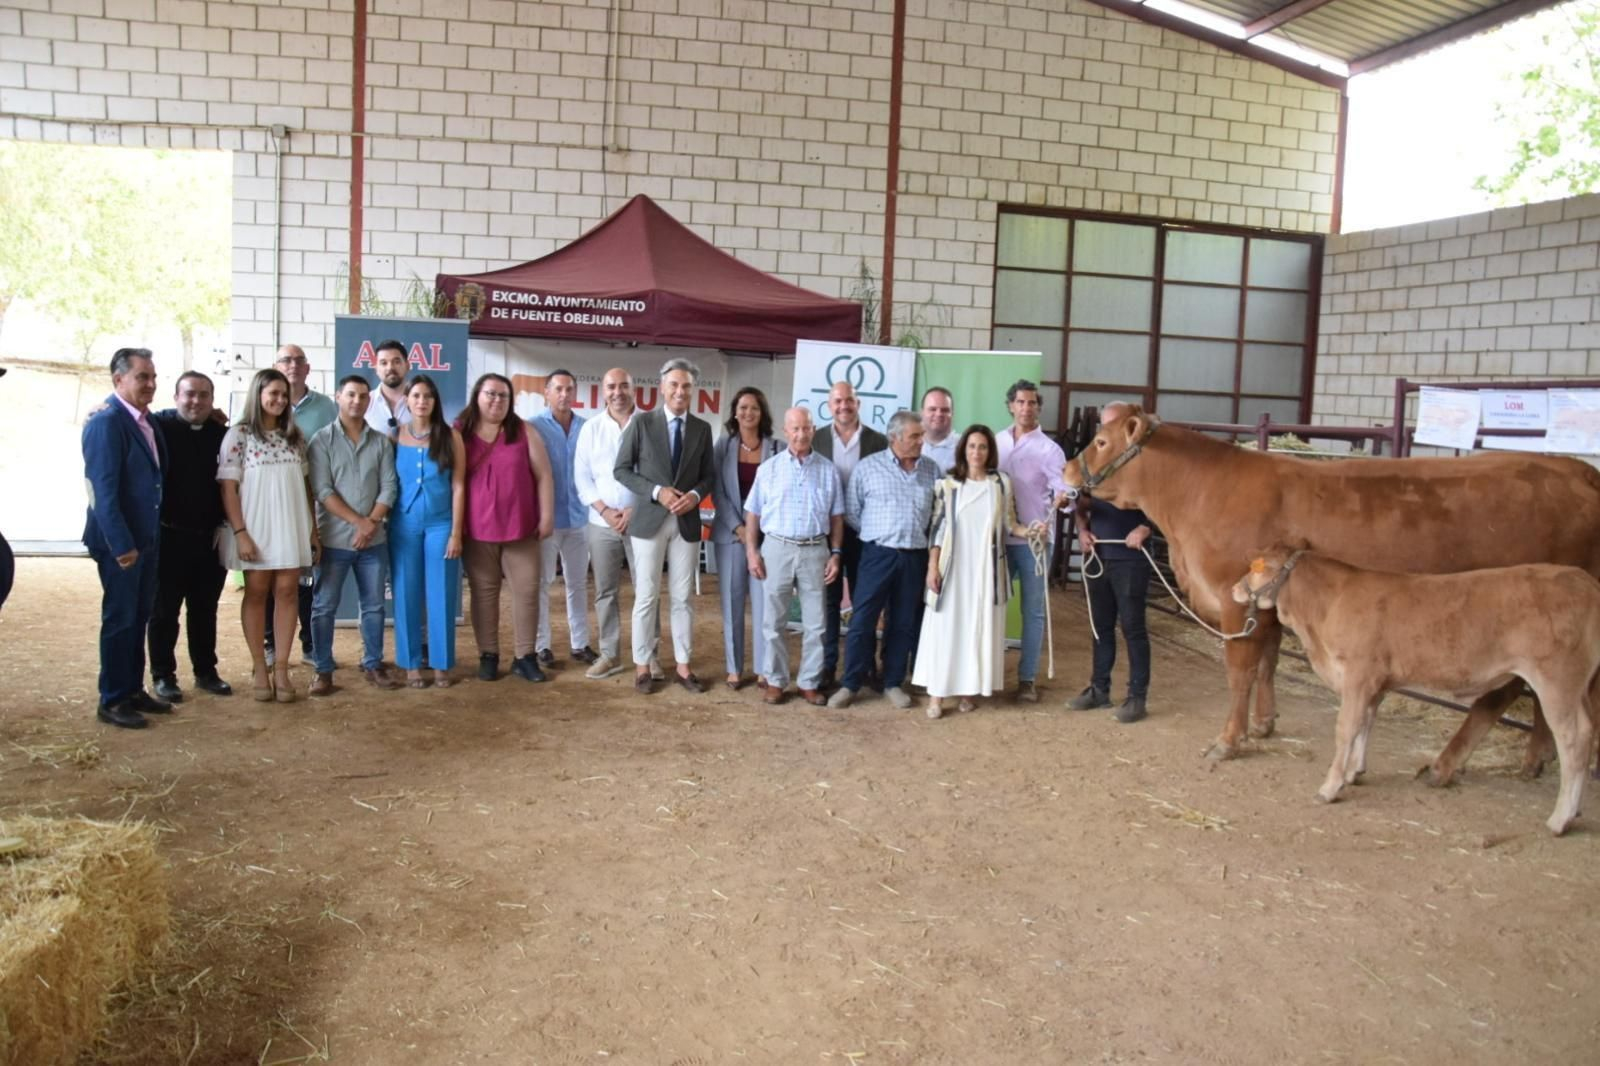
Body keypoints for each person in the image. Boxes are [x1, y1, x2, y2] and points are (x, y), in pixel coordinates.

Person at [914, 424, 1039, 719]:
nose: (976, 452)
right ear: (963, 449)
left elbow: (1011, 523)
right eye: (971, 446)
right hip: (953, 569)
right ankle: (937, 695)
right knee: (946, 629)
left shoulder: (1001, 483)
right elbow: (937, 528)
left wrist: (1031, 531)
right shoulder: (949, 483)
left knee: (976, 629)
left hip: (986, 572)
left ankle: (968, 691)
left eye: (982, 447)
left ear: (990, 451)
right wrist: (933, 566)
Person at [614, 357, 716, 694]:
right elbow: (622, 470)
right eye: (674, 384)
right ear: (662, 388)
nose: (680, 391)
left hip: (686, 522)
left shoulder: (702, 428)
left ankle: (684, 668)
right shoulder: (642, 424)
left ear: (692, 390)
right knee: (646, 596)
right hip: (649, 522)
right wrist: (657, 492)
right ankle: (643, 666)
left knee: (683, 598)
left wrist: (695, 494)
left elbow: (709, 476)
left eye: (686, 385)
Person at [82, 348, 171, 729]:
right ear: (119, 380)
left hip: (147, 539)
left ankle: (133, 689)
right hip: (122, 544)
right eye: (142, 377)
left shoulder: (145, 420)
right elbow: (101, 491)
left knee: (139, 615)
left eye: (152, 377)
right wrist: (121, 546)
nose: (150, 384)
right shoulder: (106, 422)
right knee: (120, 619)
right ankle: (113, 699)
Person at [218, 367, 318, 704]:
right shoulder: (239, 435)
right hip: (256, 526)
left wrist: (313, 531)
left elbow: (306, 487)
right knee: (258, 591)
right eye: (272, 393)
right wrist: (241, 533)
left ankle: (282, 668)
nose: (278, 399)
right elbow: (229, 489)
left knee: (288, 591)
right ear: (258, 394)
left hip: (291, 524)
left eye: (283, 394)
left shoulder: (295, 437)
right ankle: (259, 665)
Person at [828, 411, 939, 710]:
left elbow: (938, 516)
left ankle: (892, 682)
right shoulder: (868, 468)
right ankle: (851, 683)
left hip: (914, 557)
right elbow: (852, 512)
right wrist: (880, 535)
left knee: (902, 622)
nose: (921, 441)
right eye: (915, 436)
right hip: (876, 554)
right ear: (895, 438)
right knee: (862, 620)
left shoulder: (931, 470)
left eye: (921, 435)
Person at [306, 376, 402, 696]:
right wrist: (358, 522)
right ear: (338, 397)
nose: (357, 401)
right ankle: (323, 670)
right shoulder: (320, 441)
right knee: (324, 607)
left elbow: (389, 486)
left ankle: (373, 662)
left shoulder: (380, 442)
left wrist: (370, 523)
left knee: (374, 606)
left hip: (373, 542)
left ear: (369, 401)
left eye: (363, 396)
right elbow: (322, 490)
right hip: (334, 540)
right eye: (351, 395)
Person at [458, 372, 555, 683]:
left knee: (527, 592)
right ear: (477, 395)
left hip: (521, 527)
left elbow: (544, 476)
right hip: (476, 529)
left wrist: (547, 515)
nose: (496, 400)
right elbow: (452, 481)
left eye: (503, 395)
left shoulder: (524, 431)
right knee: (484, 593)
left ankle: (525, 657)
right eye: (491, 393)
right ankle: (488, 654)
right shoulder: (459, 432)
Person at [744, 406, 843, 706]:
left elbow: (837, 516)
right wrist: (752, 551)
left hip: (815, 549)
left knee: (817, 622)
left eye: (807, 428)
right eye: (795, 429)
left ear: (814, 430)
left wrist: (835, 553)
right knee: (773, 621)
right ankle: (775, 681)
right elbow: (753, 513)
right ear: (786, 432)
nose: (801, 434)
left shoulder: (828, 469)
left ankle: (809, 682)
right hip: (777, 548)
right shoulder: (769, 469)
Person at [147, 371, 232, 703]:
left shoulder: (222, 435)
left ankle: (205, 672)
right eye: (189, 394)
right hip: (168, 538)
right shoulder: (158, 427)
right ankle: (164, 676)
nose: (195, 401)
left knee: (204, 609)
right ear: (176, 397)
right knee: (164, 611)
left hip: (209, 540)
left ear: (213, 400)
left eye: (203, 395)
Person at [1067, 402, 1154, 724]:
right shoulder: (1095, 460)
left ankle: (1136, 697)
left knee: (1133, 628)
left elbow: (1163, 505)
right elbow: (1081, 501)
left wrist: (1145, 527)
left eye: (1113, 424)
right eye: (1104, 425)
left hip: (1130, 557)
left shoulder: (1144, 462)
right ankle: (1099, 688)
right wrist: (1082, 530)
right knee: (1100, 628)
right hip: (1099, 553)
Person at [573, 367, 661, 682]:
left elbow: (658, 474)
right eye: (612, 386)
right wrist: (606, 511)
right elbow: (581, 477)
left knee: (646, 590)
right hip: (601, 522)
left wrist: (635, 509)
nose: (618, 392)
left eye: (624, 386)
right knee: (605, 591)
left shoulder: (651, 426)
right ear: (603, 390)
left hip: (643, 520)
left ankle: (649, 656)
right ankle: (610, 654)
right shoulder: (591, 429)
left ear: (634, 389)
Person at [389, 374, 466, 688]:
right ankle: (410, 664)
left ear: (436, 402)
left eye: (428, 396)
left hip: (441, 525)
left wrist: (456, 533)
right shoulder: (394, 437)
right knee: (406, 594)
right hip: (403, 525)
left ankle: (441, 664)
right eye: (416, 395)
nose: (422, 402)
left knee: (442, 593)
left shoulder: (451, 437)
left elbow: (459, 486)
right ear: (407, 399)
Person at [996, 378, 1069, 702]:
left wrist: (1065, 498)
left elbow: (1065, 488)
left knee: (1033, 611)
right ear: (1011, 405)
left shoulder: (1050, 450)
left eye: (1032, 403)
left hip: (1035, 541)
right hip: (998, 539)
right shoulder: (995, 442)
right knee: (991, 606)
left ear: (1039, 408)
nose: (1026, 408)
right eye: (1021, 402)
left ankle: (1027, 679)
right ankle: (987, 672)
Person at [264, 344, 337, 664]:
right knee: (268, 580)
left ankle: (309, 644)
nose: (292, 365)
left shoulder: (326, 407)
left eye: (299, 361)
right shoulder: (258, 409)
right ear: (275, 367)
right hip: (269, 508)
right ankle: (270, 645)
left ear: (308, 369)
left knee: (307, 578)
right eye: (285, 360)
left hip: (313, 504)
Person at [813, 380, 887, 690]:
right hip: (825, 534)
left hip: (864, 533)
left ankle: (864, 665)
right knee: (827, 603)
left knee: (864, 601)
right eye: (838, 401)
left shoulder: (878, 441)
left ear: (858, 404)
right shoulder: (815, 439)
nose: (844, 406)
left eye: (849, 401)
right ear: (829, 406)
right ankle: (828, 665)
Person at [711, 386, 782, 691]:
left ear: (762, 413)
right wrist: (739, 528)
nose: (748, 413)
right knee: (732, 603)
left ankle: (765, 670)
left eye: (754, 408)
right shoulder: (723, 446)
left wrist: (756, 531)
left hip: (767, 538)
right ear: (734, 412)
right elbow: (718, 490)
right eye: (742, 407)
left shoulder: (777, 448)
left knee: (766, 605)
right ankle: (734, 669)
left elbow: (780, 492)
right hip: (731, 536)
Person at [530, 368, 596, 668]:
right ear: (546, 392)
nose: (564, 395)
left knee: (577, 583)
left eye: (569, 389)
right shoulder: (532, 428)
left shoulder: (587, 428)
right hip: (546, 520)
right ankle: (541, 646)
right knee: (542, 583)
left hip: (580, 518)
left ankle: (580, 644)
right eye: (558, 389)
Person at [363, 339, 413, 438]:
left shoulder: (420, 402)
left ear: (407, 366)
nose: (390, 368)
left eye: (396, 362)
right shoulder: (365, 402)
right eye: (384, 363)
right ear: (376, 369)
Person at [919, 387, 957, 472]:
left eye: (945, 410)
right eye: (932, 409)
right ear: (921, 413)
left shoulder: (965, 447)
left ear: (952, 414)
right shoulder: (910, 445)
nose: (939, 414)